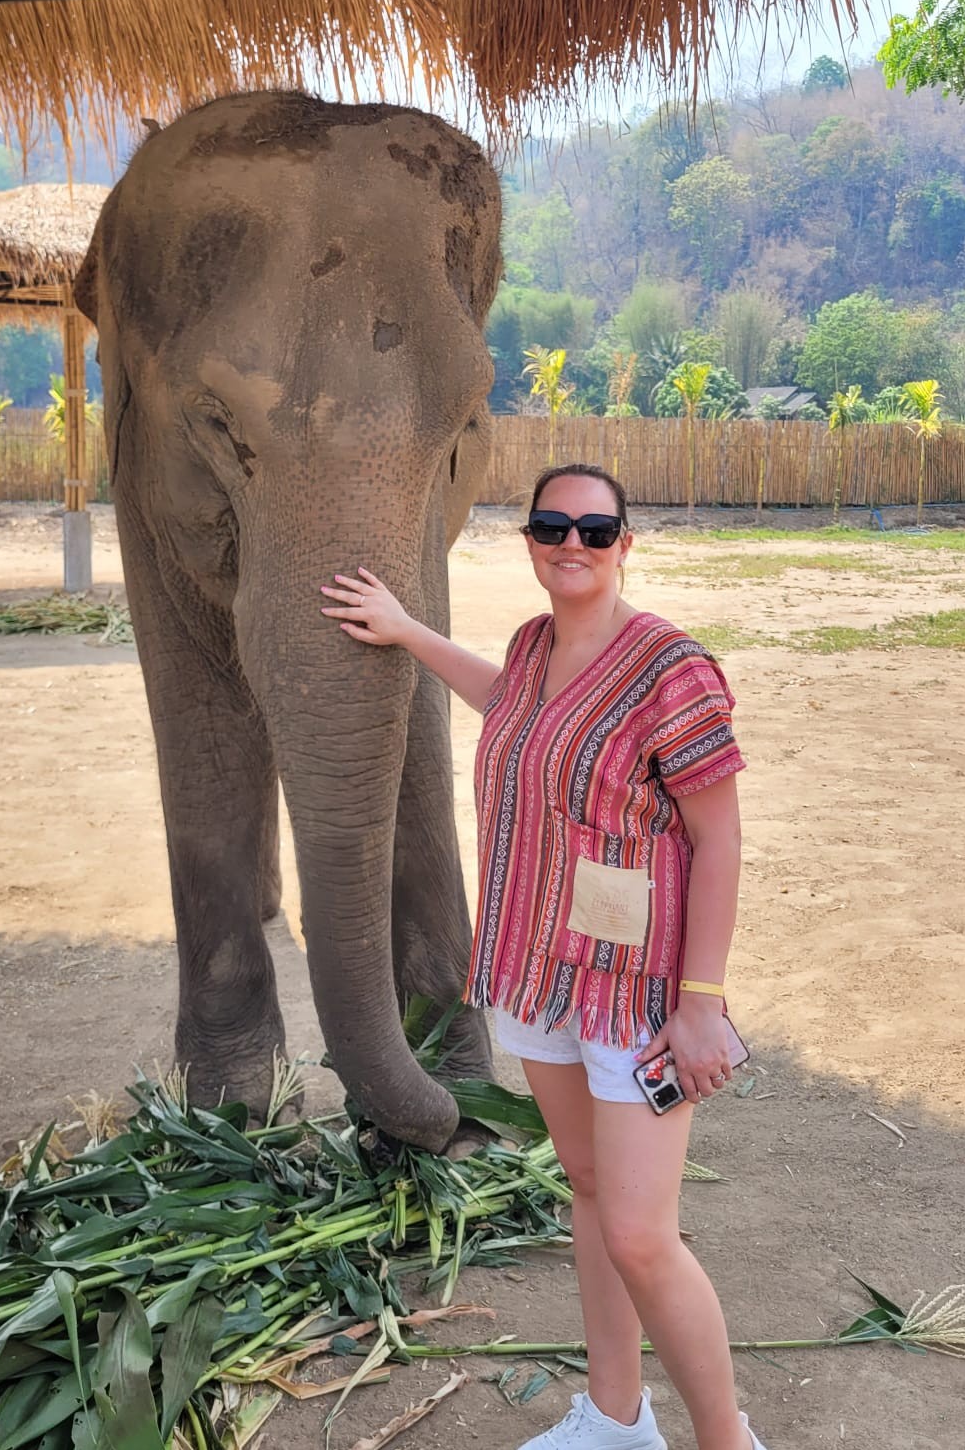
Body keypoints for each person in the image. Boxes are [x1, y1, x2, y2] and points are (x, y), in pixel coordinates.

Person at [321, 463, 765, 1450]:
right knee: (591, 1190)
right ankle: (617, 1417)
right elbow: (508, 703)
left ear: (625, 544)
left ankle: (727, 1441)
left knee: (643, 1235)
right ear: (528, 539)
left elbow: (721, 838)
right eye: (553, 526)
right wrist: (407, 631)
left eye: (594, 530)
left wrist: (701, 1002)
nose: (573, 544)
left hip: (639, 997)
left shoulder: (671, 669)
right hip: (541, 974)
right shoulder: (530, 650)